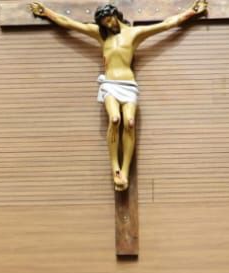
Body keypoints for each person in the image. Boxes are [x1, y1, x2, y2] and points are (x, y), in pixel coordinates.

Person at [28, 1, 209, 191]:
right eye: (104, 23)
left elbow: (166, 24)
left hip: (128, 84)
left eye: (108, 20)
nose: (107, 24)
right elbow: (70, 23)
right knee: (115, 119)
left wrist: (191, 12)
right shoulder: (100, 34)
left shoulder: (134, 34)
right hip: (110, 85)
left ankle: (125, 170)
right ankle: (114, 168)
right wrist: (46, 12)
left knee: (129, 122)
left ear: (115, 15)